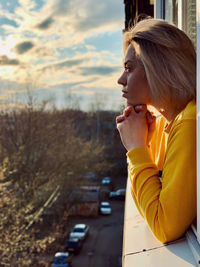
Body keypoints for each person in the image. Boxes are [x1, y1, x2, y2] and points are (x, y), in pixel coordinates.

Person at [116, 18, 196, 243]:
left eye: (129, 68)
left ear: (158, 69)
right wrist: (146, 141)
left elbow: (163, 227)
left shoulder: (190, 123)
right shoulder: (164, 123)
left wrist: (136, 148)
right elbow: (148, 206)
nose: (120, 79)